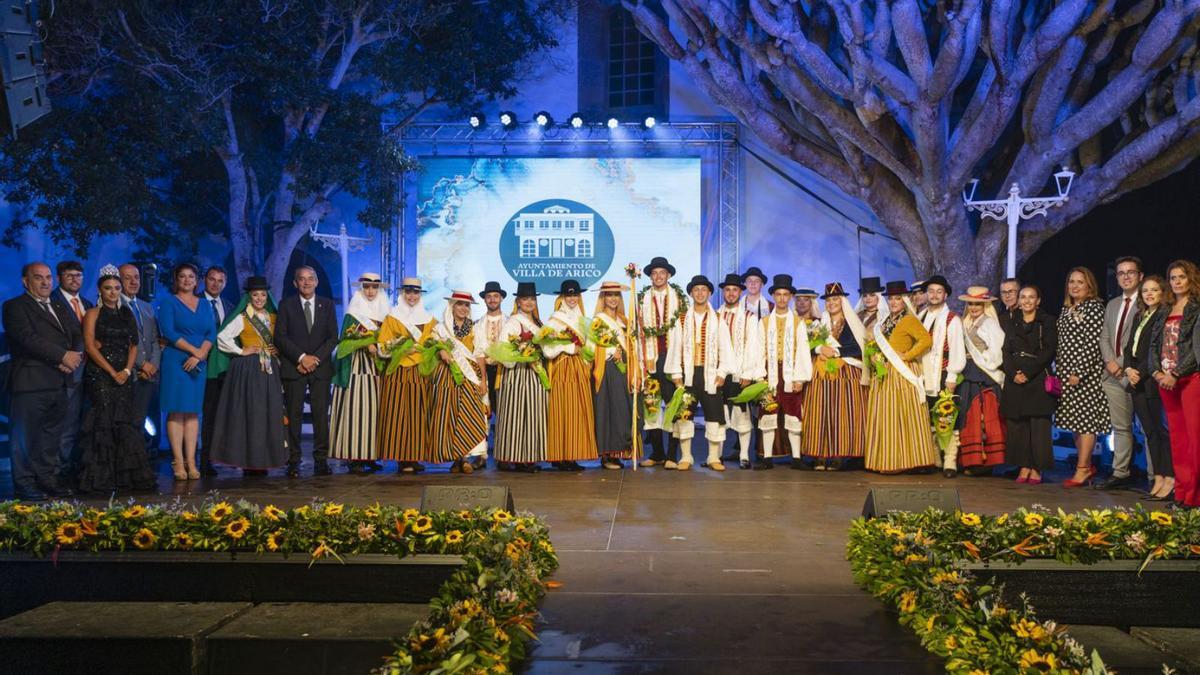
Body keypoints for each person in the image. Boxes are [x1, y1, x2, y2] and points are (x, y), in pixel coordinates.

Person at [3, 262, 83, 500]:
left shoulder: (58, 305)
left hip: (59, 382)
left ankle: (46, 480)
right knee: (25, 439)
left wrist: (72, 358)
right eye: (38, 278)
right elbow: (27, 339)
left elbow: (76, 333)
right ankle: (24, 484)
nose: (46, 282)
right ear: (25, 281)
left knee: (50, 438)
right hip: (30, 383)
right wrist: (60, 357)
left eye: (48, 277)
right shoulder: (14, 306)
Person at [76, 265, 157, 494]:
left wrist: (128, 370)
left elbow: (133, 345)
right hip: (100, 375)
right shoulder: (92, 313)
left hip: (124, 374)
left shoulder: (127, 314)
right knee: (102, 421)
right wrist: (112, 372)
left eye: (116, 288)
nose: (112, 292)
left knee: (124, 423)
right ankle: (100, 478)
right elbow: (90, 346)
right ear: (100, 290)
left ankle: (124, 477)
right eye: (108, 288)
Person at [208, 276, 287, 473]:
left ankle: (265, 457)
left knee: (268, 412)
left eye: (262, 295)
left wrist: (277, 348)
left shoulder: (274, 317)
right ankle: (248, 459)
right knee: (251, 411)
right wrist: (241, 351)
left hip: (270, 369)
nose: (259, 298)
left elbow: (283, 339)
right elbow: (222, 337)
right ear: (249, 297)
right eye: (255, 295)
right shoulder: (242, 317)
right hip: (250, 369)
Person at [864, 281, 938, 474]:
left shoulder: (909, 320)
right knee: (886, 417)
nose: (894, 302)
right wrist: (873, 355)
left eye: (898, 298)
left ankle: (906, 461)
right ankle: (886, 460)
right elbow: (875, 343)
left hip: (902, 374)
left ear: (905, 300)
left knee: (904, 417)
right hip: (885, 373)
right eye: (891, 298)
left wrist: (907, 355)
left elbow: (926, 340)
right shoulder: (885, 321)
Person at [275, 266, 338, 478]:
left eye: (310, 279)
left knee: (321, 415)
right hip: (295, 367)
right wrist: (302, 358)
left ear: (317, 282)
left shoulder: (327, 305)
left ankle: (321, 460)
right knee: (294, 416)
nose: (306, 282)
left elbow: (332, 338)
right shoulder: (286, 305)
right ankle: (293, 461)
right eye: (301, 279)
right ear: (295, 283)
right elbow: (281, 337)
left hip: (320, 369)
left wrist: (314, 360)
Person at [666, 275, 734, 471]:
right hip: (688, 374)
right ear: (691, 294)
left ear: (710, 293)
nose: (700, 293)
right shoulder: (681, 319)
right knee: (684, 414)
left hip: (710, 373)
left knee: (714, 414)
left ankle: (713, 457)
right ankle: (686, 456)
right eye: (696, 290)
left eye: (704, 289)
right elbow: (676, 346)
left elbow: (725, 347)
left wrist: (722, 372)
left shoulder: (718, 319)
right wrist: (675, 373)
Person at [157, 263, 216, 481]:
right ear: (176, 279)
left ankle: (192, 461)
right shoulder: (168, 303)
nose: (187, 280)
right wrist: (194, 351)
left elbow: (211, 332)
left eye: (191, 276)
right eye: (182, 276)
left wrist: (201, 354)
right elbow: (169, 332)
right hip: (177, 361)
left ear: (196, 280)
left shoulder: (204, 304)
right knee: (176, 411)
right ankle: (178, 461)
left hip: (198, 362)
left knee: (192, 412)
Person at [1149, 260, 1200, 508]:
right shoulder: (1164, 309)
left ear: (1191, 278)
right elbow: (1154, 345)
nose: (1177, 281)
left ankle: (1194, 496)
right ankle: (1181, 493)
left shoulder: (1197, 308)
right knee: (1177, 440)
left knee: (1194, 439)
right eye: (1173, 277)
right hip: (1165, 381)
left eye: (1182, 277)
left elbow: (1195, 349)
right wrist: (1156, 372)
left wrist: (1177, 373)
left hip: (1190, 379)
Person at [802, 282, 867, 470]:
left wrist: (836, 352)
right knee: (819, 413)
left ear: (842, 301)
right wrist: (819, 347)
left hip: (846, 374)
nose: (831, 303)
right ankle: (820, 454)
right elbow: (808, 346)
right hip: (821, 375)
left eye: (835, 299)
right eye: (829, 300)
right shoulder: (818, 323)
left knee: (842, 414)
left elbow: (859, 347)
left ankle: (838, 454)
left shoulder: (852, 322)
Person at [1057, 267, 1111, 488]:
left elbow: (1093, 343)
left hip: (1084, 375)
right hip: (1065, 373)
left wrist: (1079, 372)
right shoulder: (1067, 308)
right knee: (1074, 422)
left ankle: (1082, 469)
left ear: (1089, 285)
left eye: (1080, 282)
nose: (1075, 286)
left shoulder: (1095, 308)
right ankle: (1086, 465)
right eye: (1072, 281)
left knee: (1086, 422)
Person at [377, 277, 437, 473]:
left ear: (420, 295)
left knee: (418, 415)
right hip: (399, 372)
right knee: (398, 415)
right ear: (403, 293)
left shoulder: (429, 319)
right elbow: (383, 347)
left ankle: (414, 456)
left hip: (420, 371)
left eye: (416, 292)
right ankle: (402, 458)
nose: (412, 296)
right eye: (408, 292)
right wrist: (402, 350)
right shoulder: (392, 317)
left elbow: (434, 343)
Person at [330, 274, 389, 473]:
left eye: (374, 287)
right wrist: (364, 343)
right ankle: (355, 457)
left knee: (374, 412)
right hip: (356, 367)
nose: (371, 291)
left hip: (376, 367)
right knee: (356, 411)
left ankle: (371, 455)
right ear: (361, 289)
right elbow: (344, 342)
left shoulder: (385, 313)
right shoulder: (352, 314)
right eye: (367, 287)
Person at [428, 290, 490, 473]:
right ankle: (456, 458)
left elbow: (479, 355)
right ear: (452, 306)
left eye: (466, 305)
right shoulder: (441, 328)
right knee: (449, 415)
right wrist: (441, 351)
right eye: (459, 304)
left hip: (470, 377)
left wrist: (483, 381)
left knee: (469, 415)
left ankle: (466, 457)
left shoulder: (475, 328)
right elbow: (432, 347)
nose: (463, 308)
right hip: (447, 376)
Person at [1001, 285, 1058, 484]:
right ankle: (1023, 465)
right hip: (1015, 377)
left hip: (1037, 376)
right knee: (1018, 426)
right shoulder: (1012, 321)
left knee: (1038, 426)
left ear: (1038, 300)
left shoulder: (1047, 321)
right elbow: (1005, 350)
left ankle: (1037, 468)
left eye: (1031, 297)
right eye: (1023, 297)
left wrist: (1027, 372)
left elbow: (1049, 351)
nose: (1026, 301)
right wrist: (1013, 372)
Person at [1124, 275, 1173, 500]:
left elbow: (1155, 350)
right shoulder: (1139, 315)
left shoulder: (1163, 316)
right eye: (1145, 291)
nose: (1149, 294)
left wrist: (1140, 372)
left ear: (1163, 292)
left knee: (1162, 432)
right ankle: (1159, 477)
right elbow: (1129, 348)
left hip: (1151, 379)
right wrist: (1127, 369)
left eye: (1154, 290)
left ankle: (1170, 477)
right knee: (1150, 432)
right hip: (1135, 380)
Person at [1096, 256, 1144, 490]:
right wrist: (1110, 362)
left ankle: (1156, 476)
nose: (1125, 276)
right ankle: (1120, 472)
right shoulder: (1113, 304)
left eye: (1130, 272)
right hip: (1112, 374)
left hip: (1137, 374)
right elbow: (1104, 336)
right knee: (1121, 427)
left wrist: (1121, 363)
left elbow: (1140, 341)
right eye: (1121, 273)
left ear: (1140, 276)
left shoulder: (1146, 302)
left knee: (1148, 429)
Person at [757, 274, 812, 468]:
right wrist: (758, 376)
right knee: (768, 412)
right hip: (769, 372)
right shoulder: (764, 322)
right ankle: (767, 457)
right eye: (778, 294)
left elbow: (803, 351)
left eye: (785, 294)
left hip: (790, 373)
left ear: (790, 297)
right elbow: (756, 350)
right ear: (773, 296)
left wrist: (800, 378)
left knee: (793, 413)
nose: (781, 298)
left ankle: (796, 458)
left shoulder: (797, 323)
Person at [543, 279, 598, 471]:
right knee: (562, 411)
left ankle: (572, 454)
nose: (572, 298)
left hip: (580, 368)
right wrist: (569, 347)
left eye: (575, 295)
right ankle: (560, 455)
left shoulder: (582, 317)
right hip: (563, 367)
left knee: (577, 412)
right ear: (562, 297)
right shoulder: (555, 319)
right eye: (569, 295)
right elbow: (546, 348)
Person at [494, 282, 548, 472]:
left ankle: (530, 457)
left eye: (532, 299)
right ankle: (515, 458)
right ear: (518, 301)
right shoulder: (513, 322)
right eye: (525, 299)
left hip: (534, 374)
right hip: (517, 374)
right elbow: (503, 348)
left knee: (533, 416)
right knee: (516, 416)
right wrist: (522, 352)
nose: (529, 302)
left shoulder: (538, 323)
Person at [918, 275, 967, 478]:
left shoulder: (952, 319)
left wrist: (952, 376)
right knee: (929, 418)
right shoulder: (921, 316)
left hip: (944, 374)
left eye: (939, 291)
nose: (935, 295)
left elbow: (957, 349)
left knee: (947, 418)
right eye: (931, 291)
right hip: (924, 375)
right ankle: (935, 459)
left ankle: (950, 461)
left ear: (945, 295)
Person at [637, 257, 684, 467]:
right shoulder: (641, 300)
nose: (658, 276)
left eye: (662, 273)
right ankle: (657, 452)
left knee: (674, 404)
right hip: (649, 358)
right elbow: (637, 332)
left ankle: (672, 455)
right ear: (650, 276)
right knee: (652, 406)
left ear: (668, 275)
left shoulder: (679, 299)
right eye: (654, 273)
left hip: (672, 357)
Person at [956, 287, 1007, 476]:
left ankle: (985, 463)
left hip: (984, 375)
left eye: (978, 303)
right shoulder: (966, 322)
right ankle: (970, 460)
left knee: (985, 418)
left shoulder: (990, 324)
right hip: (968, 372)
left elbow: (998, 351)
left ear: (985, 305)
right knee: (968, 417)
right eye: (971, 303)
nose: (974, 307)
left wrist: (983, 360)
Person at [716, 273, 763, 469]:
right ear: (723, 292)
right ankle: (715, 456)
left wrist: (747, 373)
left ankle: (744, 455)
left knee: (742, 415)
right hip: (720, 374)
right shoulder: (715, 315)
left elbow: (754, 346)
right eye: (727, 290)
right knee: (718, 415)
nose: (731, 293)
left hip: (740, 373)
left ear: (740, 292)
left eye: (735, 290)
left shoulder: (749, 317)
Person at [49, 260, 91, 480]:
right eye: (70, 275)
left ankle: (73, 467)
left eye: (79, 275)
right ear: (59, 278)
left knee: (80, 426)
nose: (75, 279)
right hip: (64, 373)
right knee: (63, 426)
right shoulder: (51, 302)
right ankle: (56, 472)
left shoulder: (87, 303)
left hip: (89, 374)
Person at [592, 280, 637, 469]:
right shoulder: (598, 321)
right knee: (609, 409)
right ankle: (608, 455)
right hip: (609, 369)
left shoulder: (624, 320)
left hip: (625, 367)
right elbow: (591, 346)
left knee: (623, 409)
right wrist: (611, 351)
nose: (612, 299)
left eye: (616, 295)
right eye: (609, 295)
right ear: (603, 298)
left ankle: (621, 451)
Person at [119, 264, 162, 458]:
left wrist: (152, 365)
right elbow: (121, 343)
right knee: (127, 423)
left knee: (141, 421)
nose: (133, 281)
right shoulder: (113, 305)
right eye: (128, 278)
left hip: (149, 375)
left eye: (136, 277)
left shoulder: (146, 307)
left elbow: (154, 340)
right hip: (128, 374)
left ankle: (140, 461)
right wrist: (141, 364)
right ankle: (126, 463)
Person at [198, 266, 231, 476]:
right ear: (204, 280)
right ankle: (186, 460)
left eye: (220, 281)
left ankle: (207, 459)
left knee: (213, 417)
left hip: (221, 371)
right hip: (196, 366)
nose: (215, 284)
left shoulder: (229, 306)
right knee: (192, 417)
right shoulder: (193, 302)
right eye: (212, 279)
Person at [473, 281, 509, 422]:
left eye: (496, 296)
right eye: (489, 296)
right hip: (485, 371)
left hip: (505, 371)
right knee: (484, 412)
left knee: (506, 411)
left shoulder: (511, 322)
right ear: (484, 299)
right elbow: (478, 352)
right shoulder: (477, 325)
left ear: (501, 298)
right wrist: (483, 379)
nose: (492, 299)